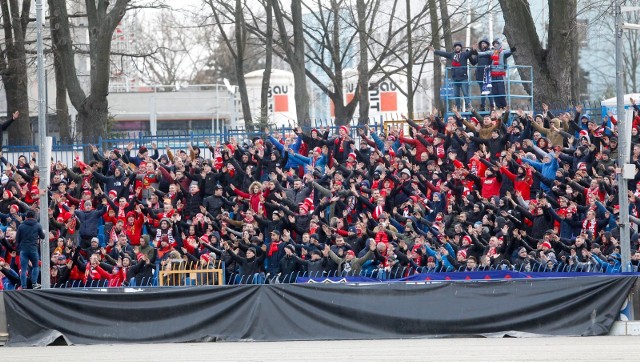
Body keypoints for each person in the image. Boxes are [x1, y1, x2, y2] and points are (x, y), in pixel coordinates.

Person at [430, 41, 474, 110]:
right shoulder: (452, 55)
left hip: (463, 77)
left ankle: (468, 107)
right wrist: (435, 51)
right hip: (455, 78)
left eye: (459, 46)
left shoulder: (464, 54)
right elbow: (443, 54)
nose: (457, 47)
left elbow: (470, 54)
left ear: (461, 48)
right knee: (456, 95)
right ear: (454, 48)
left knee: (465, 93)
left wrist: (473, 50)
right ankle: (458, 108)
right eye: (456, 46)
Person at [476, 38, 515, 109]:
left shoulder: (503, 52)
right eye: (494, 44)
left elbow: (510, 51)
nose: (495, 45)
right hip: (493, 74)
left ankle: (503, 106)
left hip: (500, 74)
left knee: (501, 91)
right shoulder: (491, 52)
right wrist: (475, 52)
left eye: (496, 43)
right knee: (494, 91)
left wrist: (513, 48)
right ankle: (498, 106)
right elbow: (484, 53)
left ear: (499, 44)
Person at [16, 210, 45, 289]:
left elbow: (17, 239)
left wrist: (19, 249)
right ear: (34, 217)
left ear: (26, 217)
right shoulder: (38, 225)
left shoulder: (21, 226)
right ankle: (34, 283)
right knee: (35, 266)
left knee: (24, 268)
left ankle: (23, 286)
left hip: (23, 250)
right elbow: (42, 236)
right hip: (33, 249)